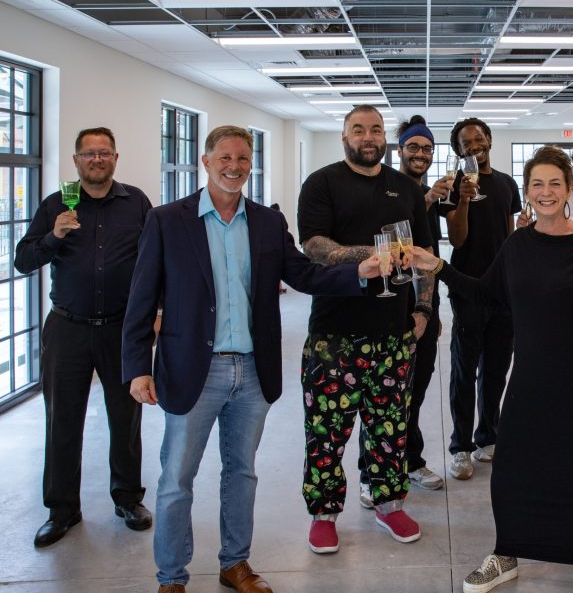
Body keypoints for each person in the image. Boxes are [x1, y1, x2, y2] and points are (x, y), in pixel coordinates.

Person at [121, 125, 380, 593]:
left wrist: (355, 273)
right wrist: (138, 366)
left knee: (241, 473)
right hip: (191, 370)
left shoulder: (265, 222)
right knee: (177, 479)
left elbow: (301, 273)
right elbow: (141, 299)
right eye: (225, 157)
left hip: (252, 371)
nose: (234, 167)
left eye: (243, 158)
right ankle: (171, 578)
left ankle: (234, 563)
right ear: (205, 162)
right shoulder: (167, 220)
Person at [410, 146, 573, 593]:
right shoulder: (518, 244)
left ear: (569, 188)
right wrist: (437, 266)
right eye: (538, 183)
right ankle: (506, 553)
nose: (547, 191)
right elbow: (484, 294)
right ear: (528, 192)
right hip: (532, 376)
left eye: (556, 182)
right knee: (514, 468)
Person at [297, 105, 433, 554]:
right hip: (334, 334)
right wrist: (370, 258)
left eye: (376, 129)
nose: (368, 136)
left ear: (385, 139)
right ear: (344, 135)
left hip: (394, 333)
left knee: (390, 428)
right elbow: (315, 246)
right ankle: (324, 513)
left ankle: (389, 503)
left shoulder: (405, 188)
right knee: (327, 431)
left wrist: (424, 310)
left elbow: (425, 254)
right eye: (359, 128)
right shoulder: (322, 183)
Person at [14, 127, 153, 548]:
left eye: (104, 153)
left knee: (126, 417)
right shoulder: (56, 204)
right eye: (89, 153)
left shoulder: (136, 203)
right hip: (67, 327)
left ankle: (127, 498)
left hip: (121, 327)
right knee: (62, 419)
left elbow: (155, 260)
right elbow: (23, 259)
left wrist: (159, 311)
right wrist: (54, 236)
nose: (97, 159)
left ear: (116, 158)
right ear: (76, 160)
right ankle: (62, 510)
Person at [441, 117, 521, 480]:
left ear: (489, 140)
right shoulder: (452, 187)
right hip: (467, 288)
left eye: (479, 139)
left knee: (496, 369)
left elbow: (508, 236)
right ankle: (460, 447)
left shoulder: (507, 183)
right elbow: (456, 240)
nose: (474, 146)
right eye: (466, 143)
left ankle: (488, 435)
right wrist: (465, 201)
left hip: (502, 292)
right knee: (464, 371)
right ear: (458, 151)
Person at [395, 115, 452, 491]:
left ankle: (411, 461)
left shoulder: (427, 198)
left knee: (416, 391)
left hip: (422, 310)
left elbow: (429, 257)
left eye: (427, 148)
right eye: (414, 146)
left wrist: (429, 310)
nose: (421, 153)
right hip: (387, 306)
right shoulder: (388, 191)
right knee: (387, 395)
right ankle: (375, 471)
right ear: (399, 150)